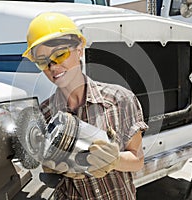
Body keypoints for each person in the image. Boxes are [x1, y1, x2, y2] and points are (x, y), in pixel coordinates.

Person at [22, 12, 148, 199]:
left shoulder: (119, 100)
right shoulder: (45, 116)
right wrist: (53, 166)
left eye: (60, 54)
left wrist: (114, 160)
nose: (53, 66)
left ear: (80, 50)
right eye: (42, 61)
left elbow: (137, 160)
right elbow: (47, 168)